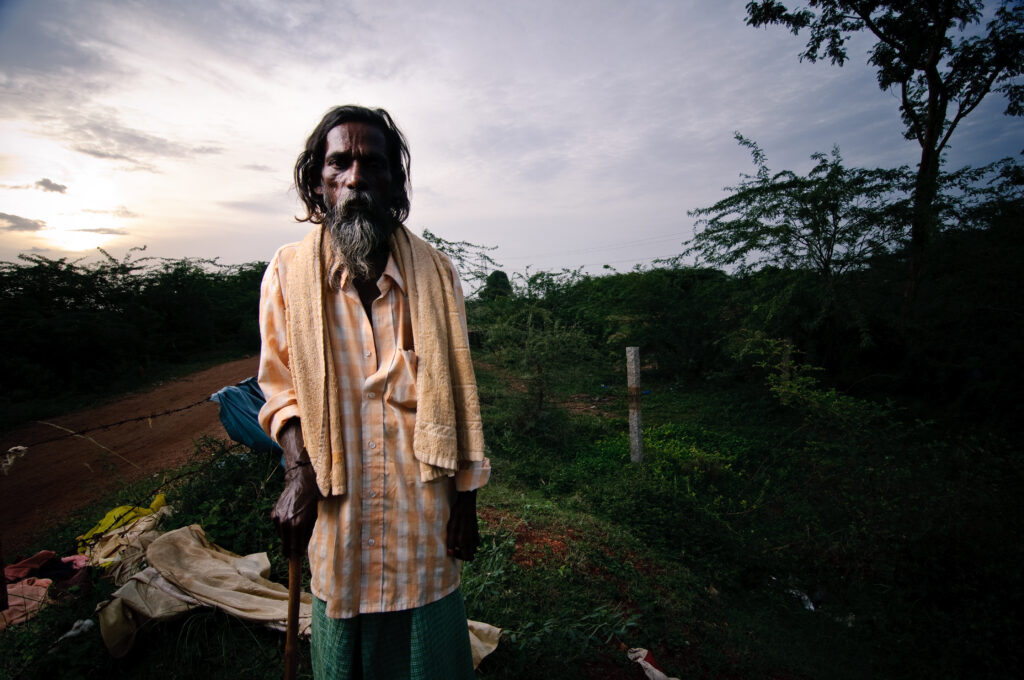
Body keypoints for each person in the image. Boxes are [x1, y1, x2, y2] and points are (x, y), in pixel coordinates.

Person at [257, 105, 490, 679]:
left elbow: (459, 394)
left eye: (372, 165)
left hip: (421, 515)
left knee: (427, 656)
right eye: (340, 163)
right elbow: (280, 388)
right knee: (345, 648)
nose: (356, 178)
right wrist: (297, 472)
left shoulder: (435, 275)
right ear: (319, 180)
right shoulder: (287, 275)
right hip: (340, 514)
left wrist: (466, 501)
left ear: (393, 182)